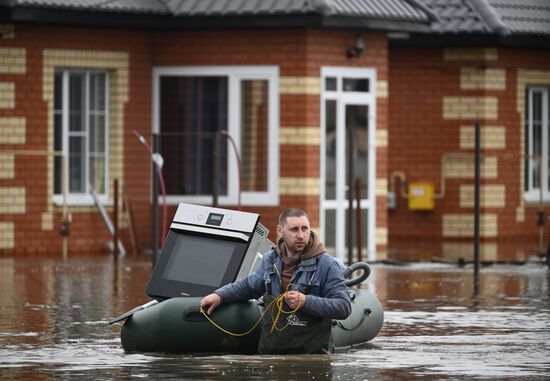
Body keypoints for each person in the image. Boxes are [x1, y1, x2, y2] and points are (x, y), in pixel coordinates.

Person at [200, 208, 351, 354]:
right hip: (271, 355)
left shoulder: (327, 264)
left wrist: (306, 301)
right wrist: (219, 295)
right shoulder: (270, 259)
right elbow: (249, 285)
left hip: (311, 357)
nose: (301, 235)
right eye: (294, 229)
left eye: (305, 229)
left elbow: (344, 307)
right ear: (280, 230)